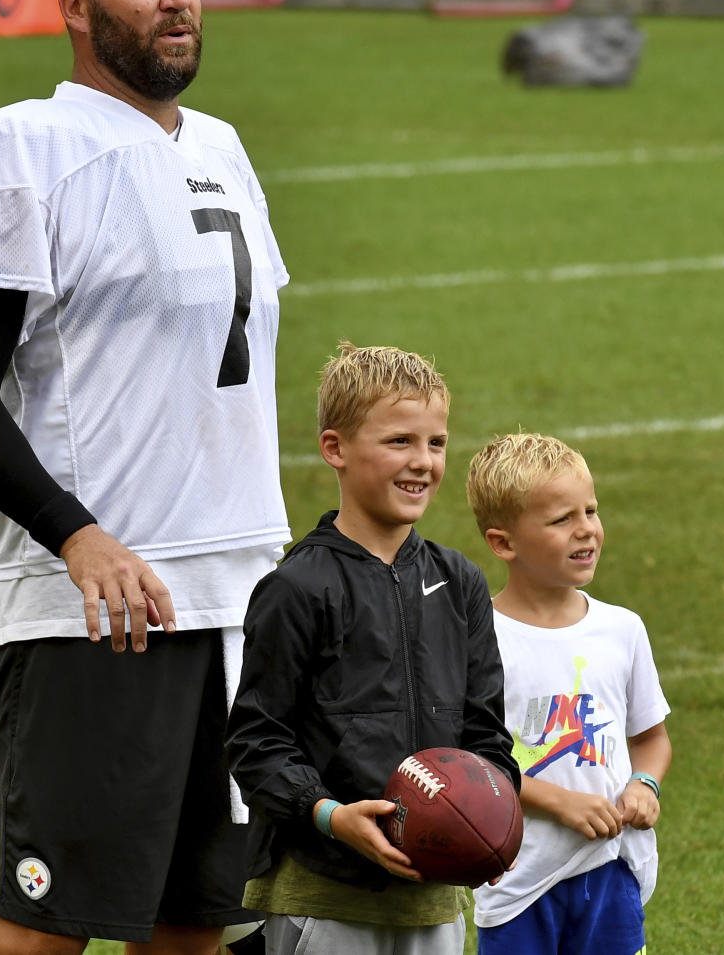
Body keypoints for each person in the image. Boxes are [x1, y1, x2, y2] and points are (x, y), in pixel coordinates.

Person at [0, 0, 289, 955]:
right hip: (94, 616)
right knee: (42, 933)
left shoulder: (222, 145)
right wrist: (77, 535)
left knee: (194, 932)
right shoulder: (20, 144)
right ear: (77, 6)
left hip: (235, 608)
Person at [225, 341, 520, 955]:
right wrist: (331, 815)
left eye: (435, 443)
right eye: (399, 442)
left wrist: (494, 819)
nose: (422, 462)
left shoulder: (459, 581)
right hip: (323, 899)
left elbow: (486, 735)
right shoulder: (295, 587)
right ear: (336, 448)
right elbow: (256, 742)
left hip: (435, 902)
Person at [464, 433, 672, 955]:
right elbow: (471, 763)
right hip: (517, 883)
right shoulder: (478, 636)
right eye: (561, 520)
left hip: (610, 870)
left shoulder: (622, 629)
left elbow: (651, 739)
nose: (586, 530)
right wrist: (558, 802)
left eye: (591, 510)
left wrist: (644, 784)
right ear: (503, 543)